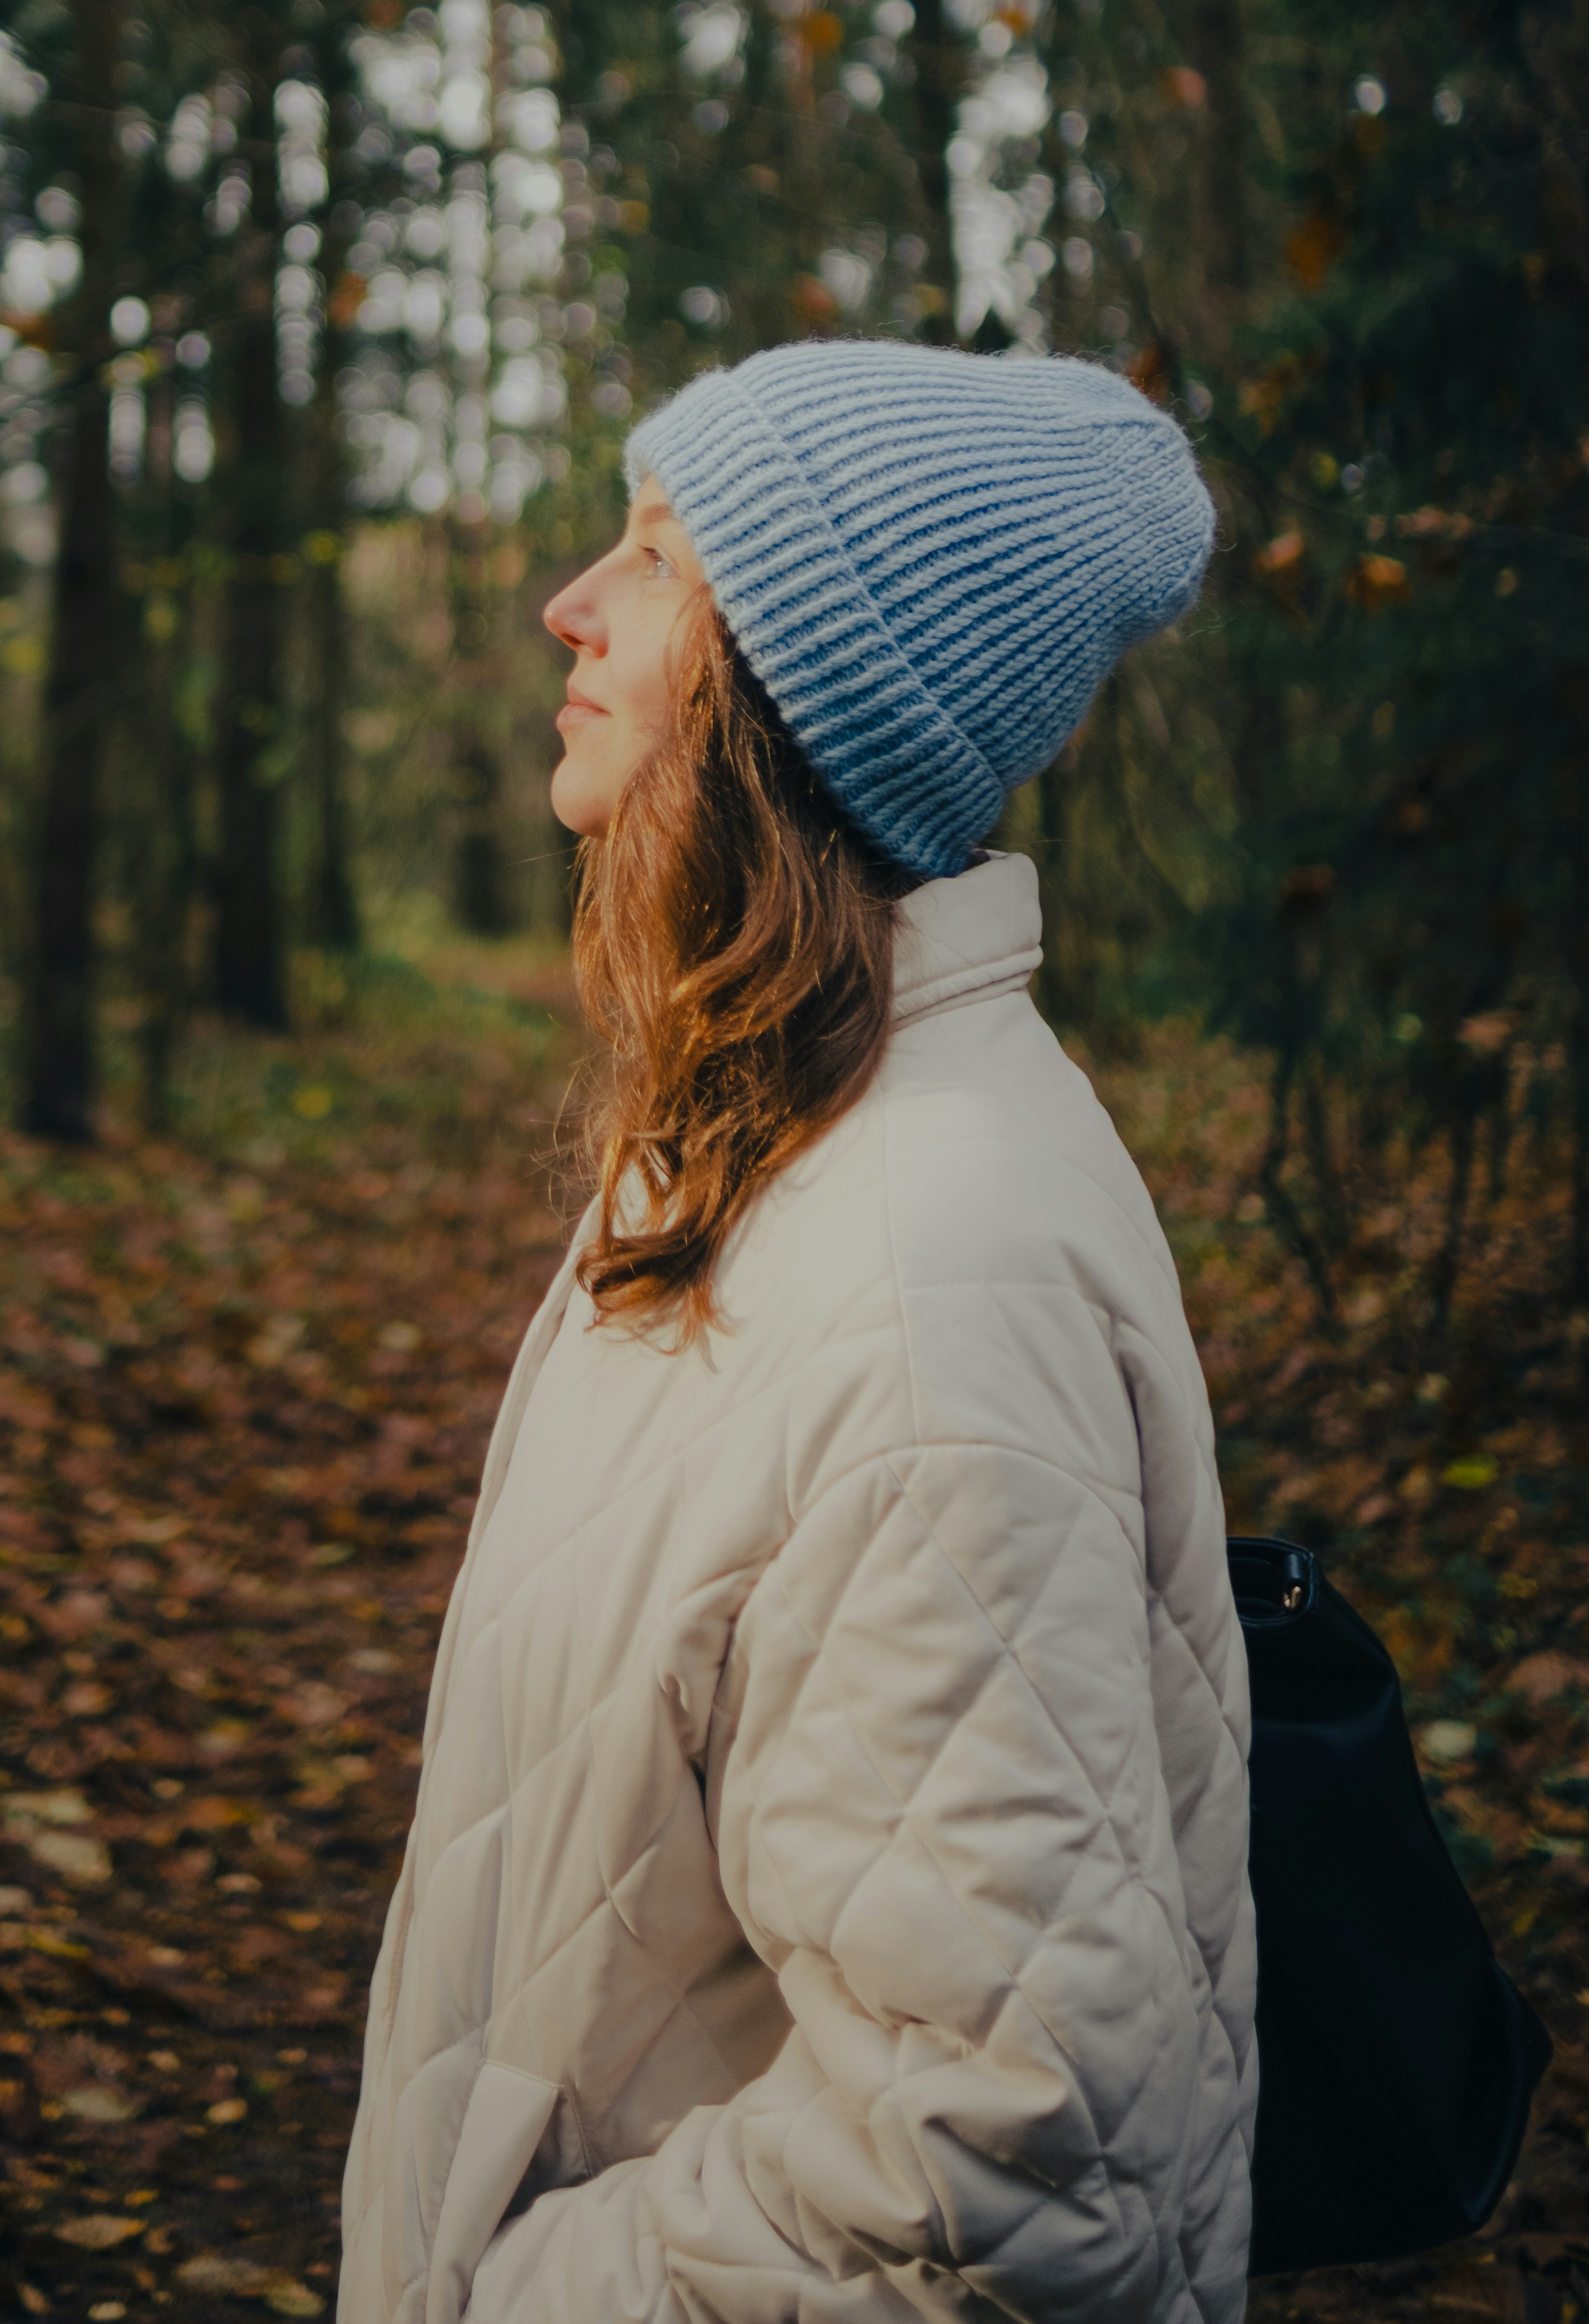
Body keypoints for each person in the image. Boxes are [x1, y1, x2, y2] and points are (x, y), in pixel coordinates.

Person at [340, 340, 1254, 2324]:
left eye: (657, 557)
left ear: (797, 696)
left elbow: (1016, 2179)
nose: (567, 603)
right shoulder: (765, 1144)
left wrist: (504, 2294)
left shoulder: (923, 1285)